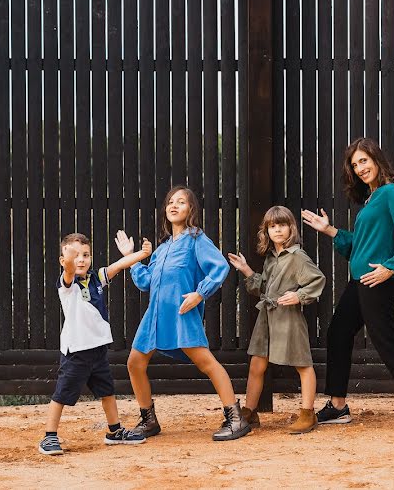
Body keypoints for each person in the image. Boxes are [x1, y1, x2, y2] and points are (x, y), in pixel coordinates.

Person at [302, 137, 394, 432]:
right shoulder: (371, 199)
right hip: (360, 280)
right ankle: (338, 406)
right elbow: (360, 246)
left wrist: (391, 267)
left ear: (377, 159)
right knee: (338, 332)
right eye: (355, 164)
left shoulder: (390, 193)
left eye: (364, 160)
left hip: (377, 281)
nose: (360, 168)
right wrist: (330, 230)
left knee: (385, 339)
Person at [125, 185, 251, 441]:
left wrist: (199, 293)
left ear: (191, 209)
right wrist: (132, 258)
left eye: (181, 202)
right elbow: (145, 283)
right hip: (155, 316)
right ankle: (148, 420)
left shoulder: (196, 239)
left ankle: (236, 419)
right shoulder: (161, 249)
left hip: (182, 314)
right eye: (171, 201)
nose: (174, 205)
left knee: (207, 363)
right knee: (134, 363)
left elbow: (218, 267)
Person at [38, 230, 153, 455]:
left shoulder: (97, 278)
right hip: (76, 352)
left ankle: (114, 431)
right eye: (74, 255)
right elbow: (69, 271)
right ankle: (49, 437)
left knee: (107, 391)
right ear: (63, 261)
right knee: (62, 394)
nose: (81, 259)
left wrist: (142, 253)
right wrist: (69, 261)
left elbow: (119, 265)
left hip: (98, 349)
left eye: (85, 254)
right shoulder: (67, 284)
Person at [228, 206, 326, 434]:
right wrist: (246, 269)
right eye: (273, 226)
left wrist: (299, 296)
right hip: (267, 316)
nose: (278, 230)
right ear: (267, 231)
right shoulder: (272, 258)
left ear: (291, 228)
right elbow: (263, 287)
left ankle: (308, 414)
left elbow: (318, 280)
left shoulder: (298, 257)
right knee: (256, 365)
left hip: (288, 317)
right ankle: (250, 413)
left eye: (282, 225)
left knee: (302, 364)